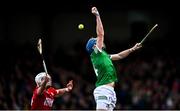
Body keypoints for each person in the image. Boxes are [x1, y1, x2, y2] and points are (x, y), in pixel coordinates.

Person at [86, 7, 142, 110]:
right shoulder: (96, 54)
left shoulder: (104, 55)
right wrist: (97, 15)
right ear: (94, 47)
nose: (100, 40)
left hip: (110, 91)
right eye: (97, 40)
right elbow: (101, 34)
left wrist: (132, 49)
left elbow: (119, 55)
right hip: (103, 89)